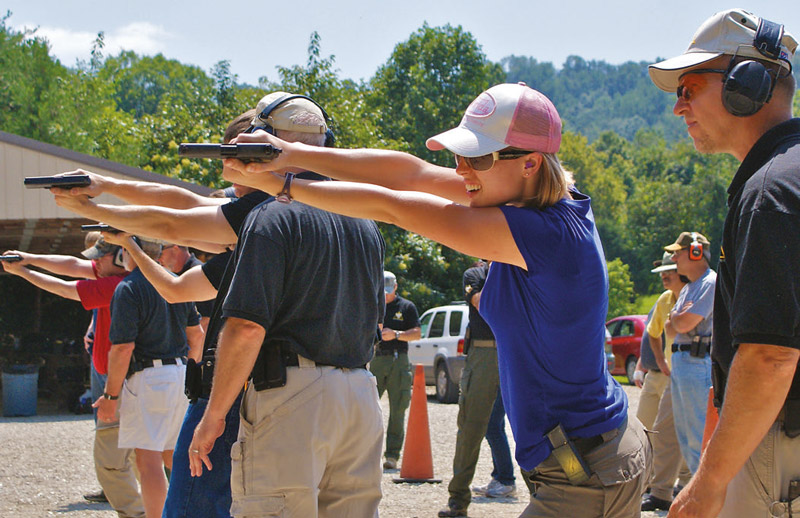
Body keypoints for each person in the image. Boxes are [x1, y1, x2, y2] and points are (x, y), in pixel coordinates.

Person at [221, 82, 651, 517]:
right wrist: (289, 154)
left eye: (477, 157)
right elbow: (413, 173)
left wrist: (282, 183)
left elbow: (392, 205)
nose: (462, 169)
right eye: (461, 155)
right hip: (598, 453)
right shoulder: (550, 199)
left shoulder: (541, 233)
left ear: (530, 163)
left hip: (585, 471)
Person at [188, 93, 387, 517]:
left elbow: (245, 329)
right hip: (359, 393)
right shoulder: (363, 219)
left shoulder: (272, 215)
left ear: (263, 141)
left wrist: (214, 414)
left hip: (294, 393)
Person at [648, 8, 800, 518]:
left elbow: (770, 357)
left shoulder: (771, 192)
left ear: (746, 83)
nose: (678, 108)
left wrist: (709, 481)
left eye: (688, 88)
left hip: (782, 448)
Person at [1, 244, 144, 518]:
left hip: (123, 381)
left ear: (120, 256)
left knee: (111, 461)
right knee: (141, 455)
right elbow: (71, 265)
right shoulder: (120, 277)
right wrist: (29, 259)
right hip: (128, 378)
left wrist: (23, 272)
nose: (94, 263)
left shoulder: (116, 284)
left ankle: (140, 514)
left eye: (100, 257)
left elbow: (66, 288)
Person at [94, 236, 202, 518]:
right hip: (180, 373)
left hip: (149, 376)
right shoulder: (175, 281)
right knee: (173, 456)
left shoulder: (129, 287)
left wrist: (110, 396)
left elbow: (122, 348)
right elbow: (197, 336)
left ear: (127, 253)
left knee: (148, 460)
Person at [447, 259, 515, 516]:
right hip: (484, 353)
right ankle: (458, 500)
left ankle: (546, 499)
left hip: (516, 349)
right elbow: (482, 302)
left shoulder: (520, 271)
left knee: (534, 423)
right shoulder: (475, 274)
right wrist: (501, 272)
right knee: (471, 427)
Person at [659, 231, 716, 478]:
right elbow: (669, 327)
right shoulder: (689, 289)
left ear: (696, 252)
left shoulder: (710, 283)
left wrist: (677, 318)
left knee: (697, 437)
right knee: (686, 437)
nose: (674, 260)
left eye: (678, 253)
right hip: (684, 361)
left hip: (697, 361)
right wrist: (678, 318)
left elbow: (680, 324)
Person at [637, 253, 691, 512]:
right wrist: (659, 363)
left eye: (669, 270)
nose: (663, 275)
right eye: (662, 271)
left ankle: (682, 485)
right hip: (662, 377)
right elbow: (652, 335)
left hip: (687, 378)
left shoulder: (699, 294)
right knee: (645, 430)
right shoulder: (665, 299)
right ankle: (651, 486)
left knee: (681, 434)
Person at [373, 270, 421, 470]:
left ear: (395, 288)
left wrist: (397, 334)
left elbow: (417, 334)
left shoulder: (406, 307)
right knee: (368, 408)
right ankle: (367, 453)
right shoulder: (373, 305)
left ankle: (392, 455)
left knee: (398, 410)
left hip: (398, 360)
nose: (385, 295)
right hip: (376, 359)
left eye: (388, 291)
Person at [157, 244, 214, 329]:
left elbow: (205, 321)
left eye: (160, 253)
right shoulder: (173, 274)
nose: (158, 259)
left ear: (175, 248)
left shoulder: (199, 274)